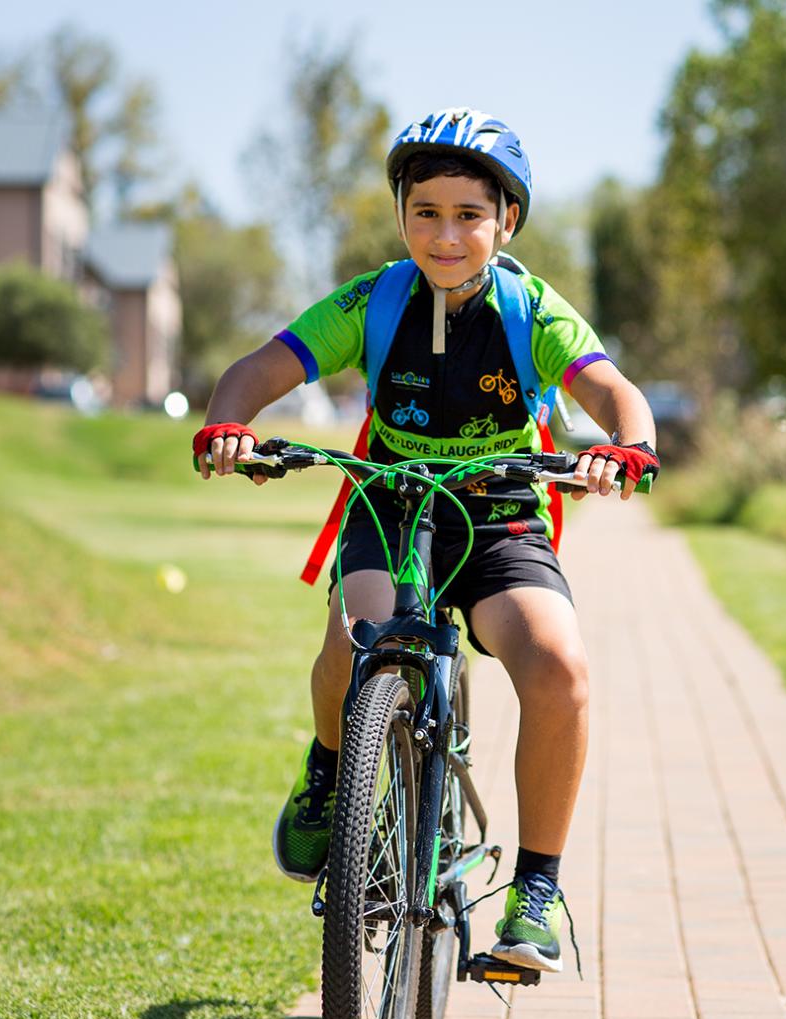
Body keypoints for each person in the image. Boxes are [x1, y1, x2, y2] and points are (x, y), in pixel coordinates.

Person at [193, 107, 658, 974]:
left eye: (469, 215)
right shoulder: (374, 301)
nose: (446, 234)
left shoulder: (531, 310)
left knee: (560, 665)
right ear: (402, 213)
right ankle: (334, 770)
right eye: (426, 212)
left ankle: (538, 891)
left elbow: (614, 391)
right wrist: (229, 425)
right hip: (392, 501)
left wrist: (629, 447)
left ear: (506, 221)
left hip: (500, 515)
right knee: (357, 636)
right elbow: (260, 368)